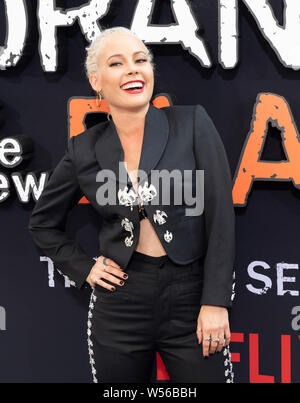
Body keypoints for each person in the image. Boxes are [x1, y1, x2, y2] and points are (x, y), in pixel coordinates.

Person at [28, 26, 236, 383]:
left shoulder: (191, 123)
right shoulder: (85, 148)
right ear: (96, 81)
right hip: (120, 304)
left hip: (190, 296)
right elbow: (42, 224)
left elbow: (220, 217)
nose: (133, 70)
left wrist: (215, 301)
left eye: (141, 60)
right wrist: (85, 268)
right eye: (117, 63)